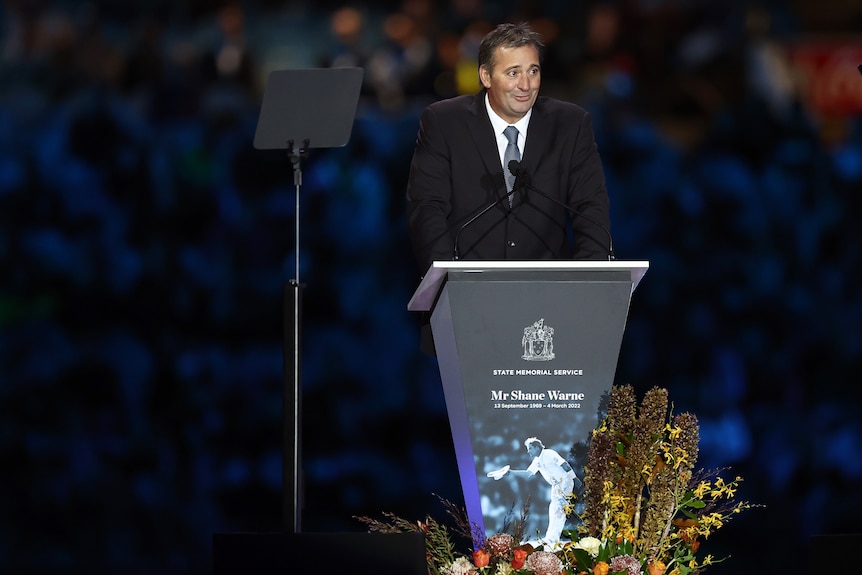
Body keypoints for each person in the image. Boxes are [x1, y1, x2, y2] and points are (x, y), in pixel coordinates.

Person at [405, 21, 612, 276]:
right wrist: (449, 281)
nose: (526, 85)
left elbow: (590, 211)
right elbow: (428, 209)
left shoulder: (570, 124)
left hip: (546, 298)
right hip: (466, 293)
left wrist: (588, 287)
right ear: (486, 76)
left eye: (533, 71)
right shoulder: (444, 122)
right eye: (513, 73)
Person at [487, 437, 579, 546]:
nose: (528, 451)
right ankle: (551, 538)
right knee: (554, 509)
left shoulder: (549, 453)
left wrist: (574, 478)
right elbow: (528, 474)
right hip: (556, 485)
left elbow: (565, 465)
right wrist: (510, 472)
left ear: (536, 447)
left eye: (530, 448)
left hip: (565, 481)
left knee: (558, 510)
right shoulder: (537, 461)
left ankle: (552, 539)